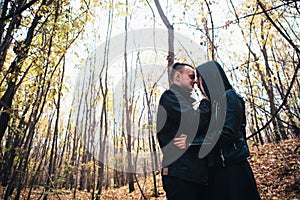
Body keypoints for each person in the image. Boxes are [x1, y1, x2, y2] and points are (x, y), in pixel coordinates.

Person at [196, 61, 261, 200]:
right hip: (216, 169)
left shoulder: (230, 97)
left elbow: (228, 133)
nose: (199, 86)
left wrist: (193, 142)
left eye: (199, 81)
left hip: (233, 168)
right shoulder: (210, 105)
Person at [156, 62, 211, 200]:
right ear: (178, 77)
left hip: (194, 176)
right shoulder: (170, 97)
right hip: (180, 175)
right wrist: (205, 101)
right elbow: (195, 121)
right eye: (191, 76)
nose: (195, 81)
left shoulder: (184, 101)